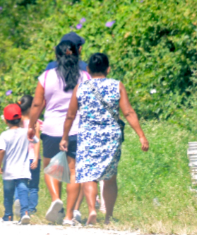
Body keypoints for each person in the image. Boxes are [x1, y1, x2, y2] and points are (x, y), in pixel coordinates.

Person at [60, 52, 149, 226]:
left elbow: (70, 116)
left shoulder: (81, 88)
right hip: (111, 136)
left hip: (87, 137)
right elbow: (128, 112)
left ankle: (92, 209)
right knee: (110, 177)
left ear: (88, 70)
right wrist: (141, 136)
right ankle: (108, 216)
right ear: (108, 69)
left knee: (88, 175)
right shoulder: (117, 85)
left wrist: (64, 137)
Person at [27, 34, 91, 225]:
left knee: (51, 168)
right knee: (73, 172)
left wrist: (31, 126)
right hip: (77, 129)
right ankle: (69, 216)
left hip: (52, 128)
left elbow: (37, 104)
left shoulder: (46, 76)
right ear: (77, 53)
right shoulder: (85, 76)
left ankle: (56, 199)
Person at [0, 102, 37, 223]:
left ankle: (8, 215)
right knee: (23, 189)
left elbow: (2, 151)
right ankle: (25, 212)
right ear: (20, 118)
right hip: (23, 168)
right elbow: (35, 140)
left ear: (5, 121)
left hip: (8, 170)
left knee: (8, 193)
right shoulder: (26, 132)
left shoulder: (4, 135)